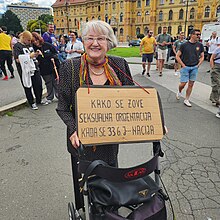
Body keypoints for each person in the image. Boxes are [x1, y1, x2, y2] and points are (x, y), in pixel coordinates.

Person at [56, 20, 134, 211]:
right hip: (81, 141)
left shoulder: (120, 65)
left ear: (109, 42)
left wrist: (154, 122)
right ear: (83, 41)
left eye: (101, 38)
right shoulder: (70, 68)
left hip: (110, 140)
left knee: (110, 179)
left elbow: (135, 101)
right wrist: (74, 130)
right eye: (90, 38)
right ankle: (85, 209)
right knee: (85, 183)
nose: (95, 43)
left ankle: (110, 209)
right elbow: (63, 107)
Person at [13, 31, 43, 110]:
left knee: (38, 84)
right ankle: (31, 102)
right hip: (25, 70)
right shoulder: (17, 46)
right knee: (27, 86)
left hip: (34, 67)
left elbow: (32, 54)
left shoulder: (29, 45)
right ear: (23, 38)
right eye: (28, 40)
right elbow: (17, 59)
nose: (30, 42)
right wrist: (29, 56)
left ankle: (38, 99)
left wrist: (36, 54)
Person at [176, 29, 204, 107]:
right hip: (185, 67)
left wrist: (198, 65)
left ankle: (187, 99)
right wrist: (183, 65)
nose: (198, 36)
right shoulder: (184, 45)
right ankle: (179, 90)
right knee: (183, 84)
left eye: (199, 34)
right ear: (192, 35)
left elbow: (202, 56)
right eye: (197, 34)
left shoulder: (200, 45)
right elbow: (177, 56)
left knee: (191, 84)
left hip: (194, 67)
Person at [32, 32, 60, 104]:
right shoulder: (34, 49)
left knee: (56, 83)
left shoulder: (47, 45)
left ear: (39, 39)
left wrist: (53, 59)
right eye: (33, 41)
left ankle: (59, 96)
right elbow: (39, 59)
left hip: (52, 67)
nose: (35, 42)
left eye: (36, 40)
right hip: (44, 69)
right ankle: (49, 97)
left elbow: (55, 54)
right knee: (48, 83)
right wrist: (39, 56)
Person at [209, 38, 220, 107]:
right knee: (217, 83)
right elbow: (212, 58)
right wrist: (213, 67)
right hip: (217, 66)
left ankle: (213, 97)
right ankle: (216, 100)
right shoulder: (218, 49)